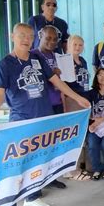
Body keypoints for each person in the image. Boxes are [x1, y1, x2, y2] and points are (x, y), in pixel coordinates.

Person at [0, 23, 89, 206]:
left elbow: (56, 81)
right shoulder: (6, 64)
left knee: (39, 160)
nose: (26, 39)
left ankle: (32, 197)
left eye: (29, 36)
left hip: (44, 119)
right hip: (21, 122)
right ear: (12, 36)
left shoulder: (37, 58)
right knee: (15, 167)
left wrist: (77, 98)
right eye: (21, 35)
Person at [30, 25, 68, 189]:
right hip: (42, 106)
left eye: (55, 39)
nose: (52, 42)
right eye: (48, 38)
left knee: (54, 142)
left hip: (57, 103)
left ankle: (51, 177)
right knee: (41, 144)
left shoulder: (55, 55)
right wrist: (53, 74)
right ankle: (37, 181)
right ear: (40, 36)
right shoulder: (33, 56)